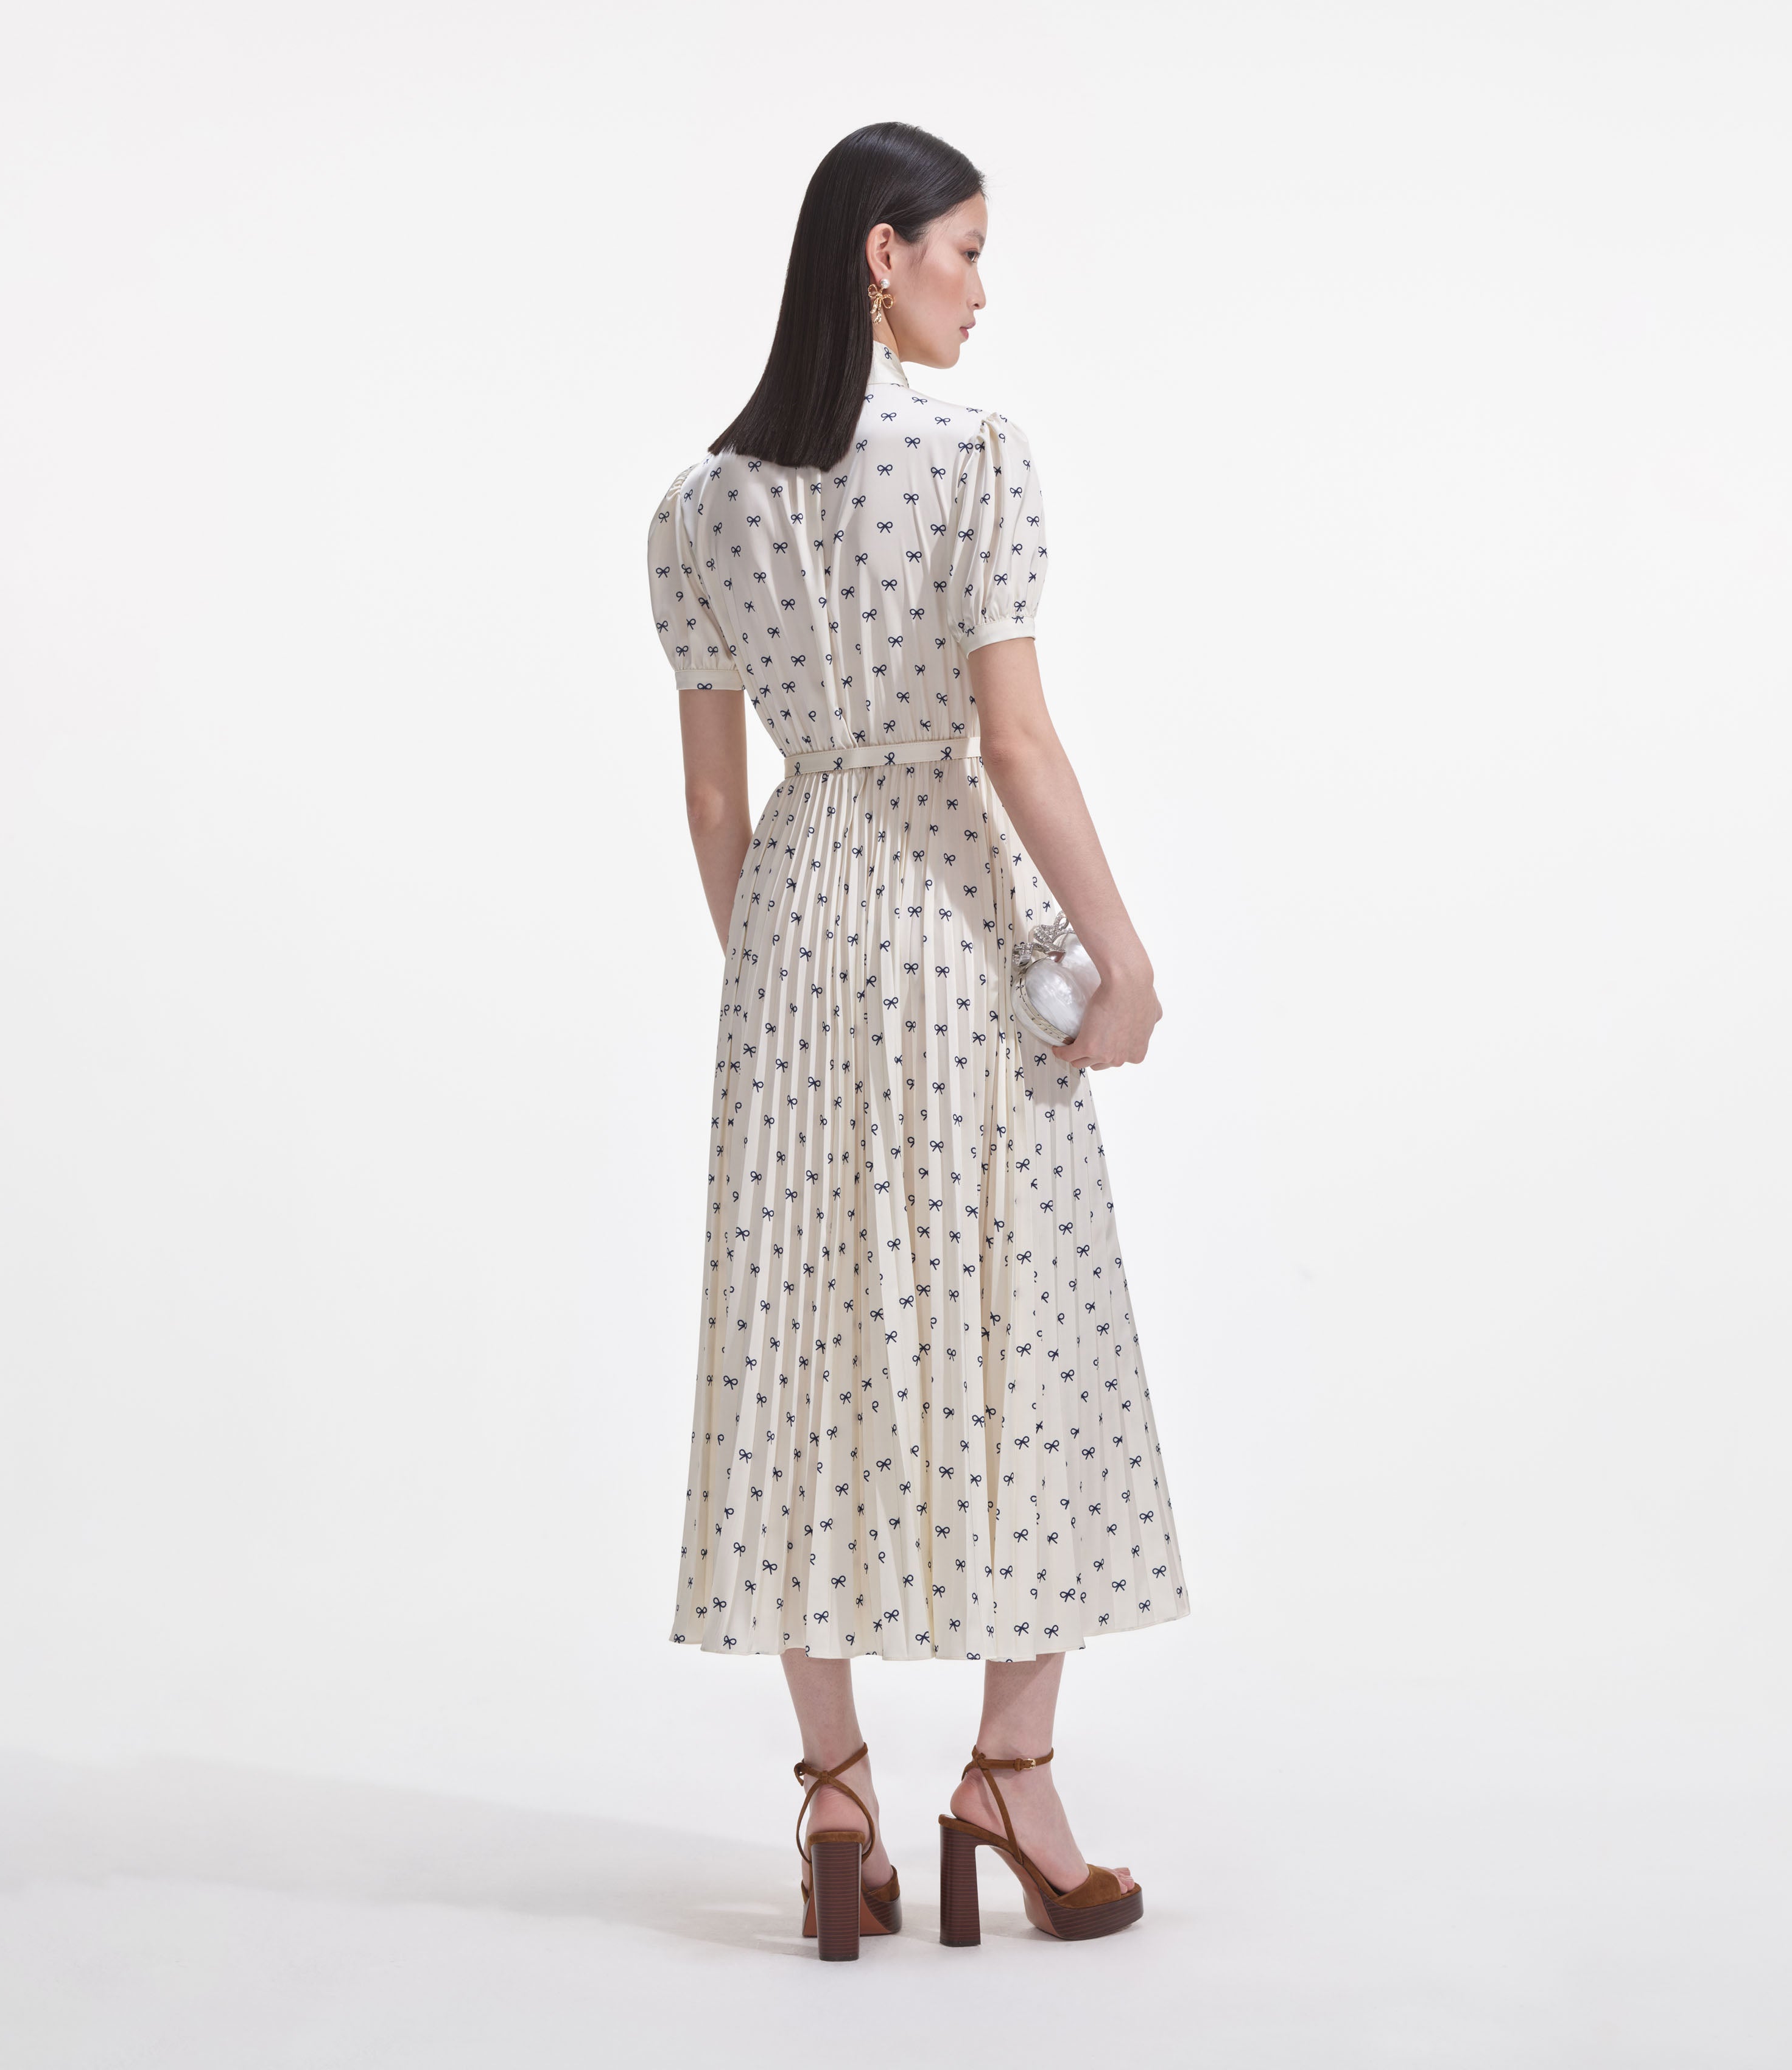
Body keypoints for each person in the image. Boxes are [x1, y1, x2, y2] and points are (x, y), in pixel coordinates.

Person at [645, 121, 1188, 1959]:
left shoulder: (698, 505)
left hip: (795, 919)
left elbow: (713, 805)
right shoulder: (975, 457)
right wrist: (1119, 955)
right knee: (1033, 1316)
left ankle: (835, 1800)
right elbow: (1012, 743)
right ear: (881, 257)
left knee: (802, 1345)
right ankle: (1012, 1776)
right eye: (963, 250)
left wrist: (782, 978)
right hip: (951, 912)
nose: (980, 287)